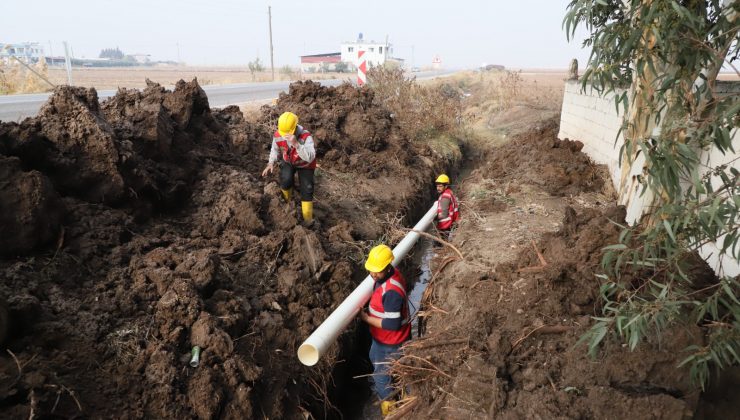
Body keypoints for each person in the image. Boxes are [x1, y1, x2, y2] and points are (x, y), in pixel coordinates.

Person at [358, 244, 411, 412]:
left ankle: (390, 408)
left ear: (388, 267)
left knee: (380, 377)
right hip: (382, 340)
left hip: (392, 342)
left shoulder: (391, 292)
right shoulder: (387, 277)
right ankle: (402, 390)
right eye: (371, 270)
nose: (373, 274)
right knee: (375, 357)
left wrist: (366, 318)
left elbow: (392, 324)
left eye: (377, 270)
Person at [261, 112, 317, 224]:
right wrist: (271, 163)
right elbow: (274, 149)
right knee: (286, 180)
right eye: (283, 133)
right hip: (289, 161)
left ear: (295, 127)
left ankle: (308, 219)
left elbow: (310, 157)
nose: (285, 136)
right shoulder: (278, 135)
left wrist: (296, 144)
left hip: (305, 164)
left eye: (288, 133)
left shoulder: (306, 136)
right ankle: (287, 204)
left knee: (307, 189)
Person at [434, 174, 459, 240]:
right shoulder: (449, 192)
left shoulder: (445, 197)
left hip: (445, 226)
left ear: (446, 186)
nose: (438, 188)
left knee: (438, 245)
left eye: (440, 186)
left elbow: (444, 215)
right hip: (450, 223)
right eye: (437, 186)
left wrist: (435, 218)